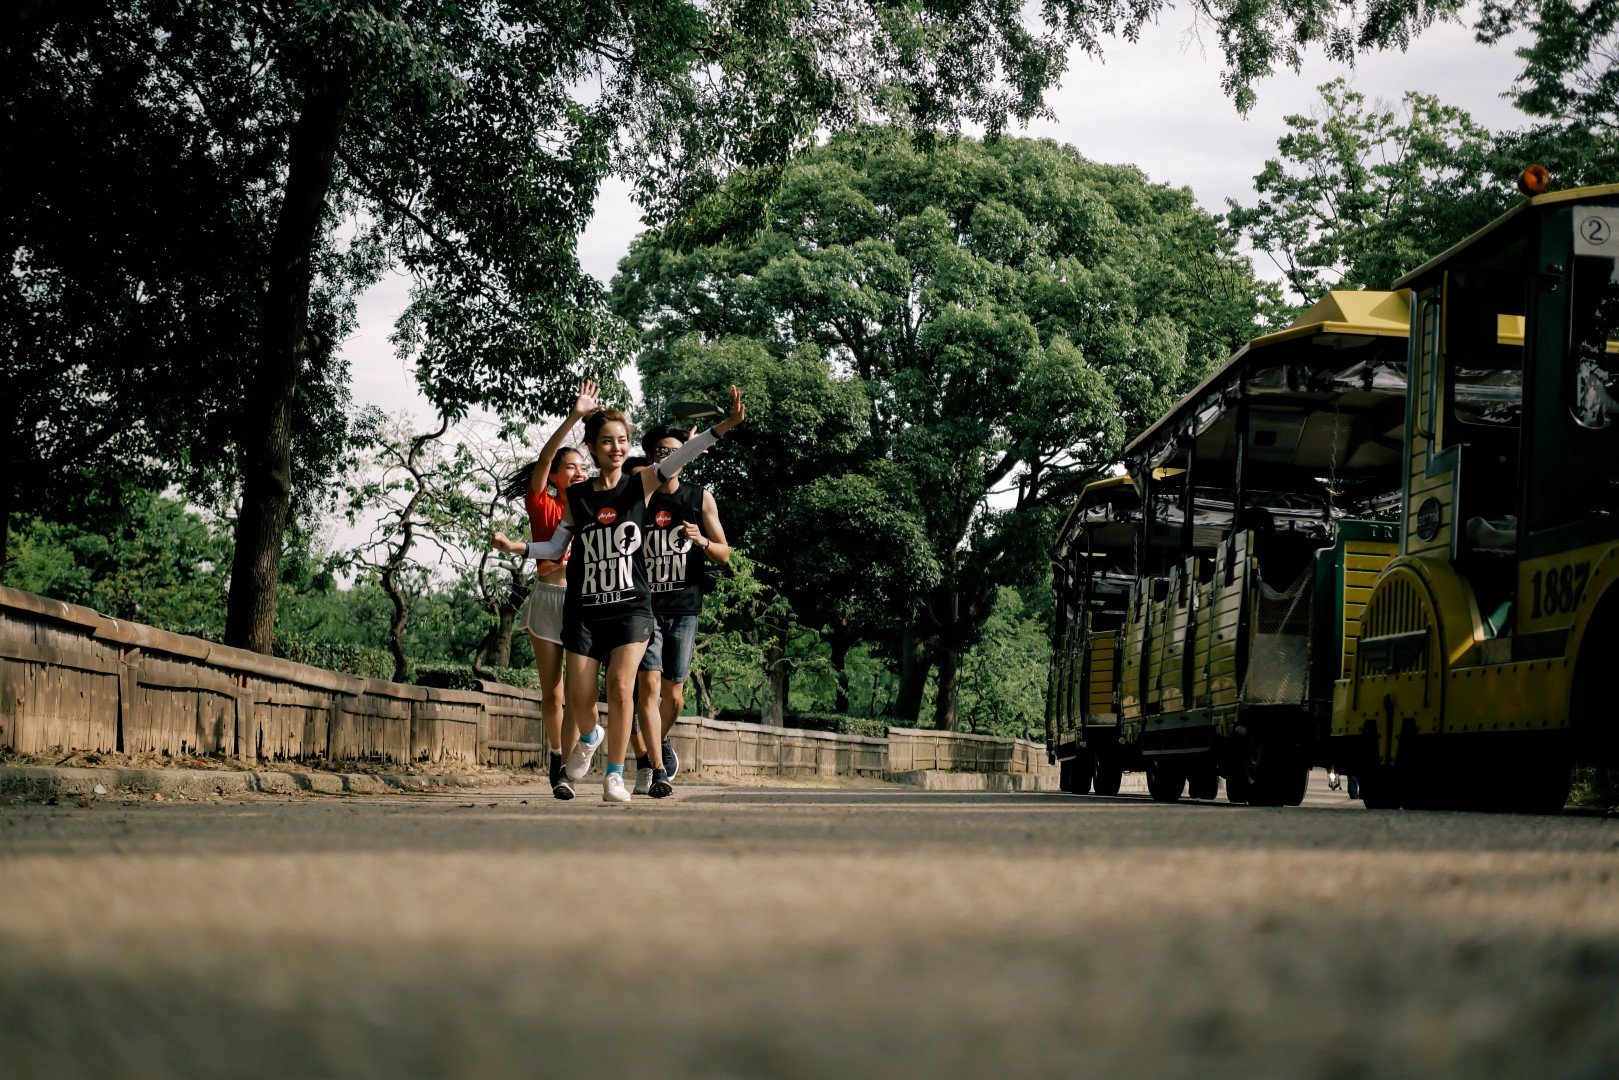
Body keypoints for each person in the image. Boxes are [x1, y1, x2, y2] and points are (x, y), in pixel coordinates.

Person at [494, 384, 746, 803]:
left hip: (631, 607)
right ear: (593, 448)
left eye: (623, 440)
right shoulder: (577, 496)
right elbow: (557, 547)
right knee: (579, 699)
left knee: (621, 685)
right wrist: (517, 547)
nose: (617, 447)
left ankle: (615, 776)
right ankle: (590, 737)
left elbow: (682, 453)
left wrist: (725, 427)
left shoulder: (642, 483)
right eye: (608, 440)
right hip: (586, 610)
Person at [495, 380, 601, 800]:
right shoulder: (543, 502)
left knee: (579, 691)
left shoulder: (595, 505)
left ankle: (573, 758)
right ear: (556, 477)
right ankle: (557, 761)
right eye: (571, 467)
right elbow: (543, 458)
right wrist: (576, 416)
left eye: (583, 467)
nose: (580, 472)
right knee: (553, 690)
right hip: (547, 598)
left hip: (584, 600)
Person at [628, 425, 731, 795]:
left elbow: (724, 554)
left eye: (674, 451)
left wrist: (700, 539)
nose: (665, 457)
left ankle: (658, 739)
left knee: (673, 697)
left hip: (685, 609)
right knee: (649, 686)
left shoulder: (699, 499)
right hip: (644, 608)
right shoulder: (638, 496)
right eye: (658, 451)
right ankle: (655, 768)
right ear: (650, 456)